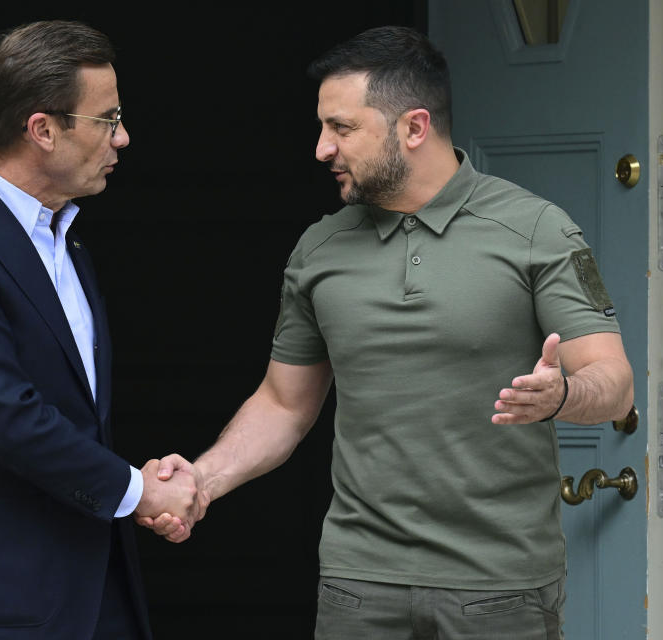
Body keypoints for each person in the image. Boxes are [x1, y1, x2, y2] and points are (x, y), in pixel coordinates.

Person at [139, 26, 634, 639]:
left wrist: (562, 397)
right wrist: (202, 480)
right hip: (358, 585)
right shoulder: (319, 249)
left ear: (414, 127)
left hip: (500, 589)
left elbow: (614, 384)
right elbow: (283, 403)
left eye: (341, 128)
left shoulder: (537, 229)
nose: (322, 148)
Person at [0, 20, 199, 640]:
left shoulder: (67, 239)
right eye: (107, 120)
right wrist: (139, 491)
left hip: (96, 593)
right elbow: (9, 420)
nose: (123, 137)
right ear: (43, 130)